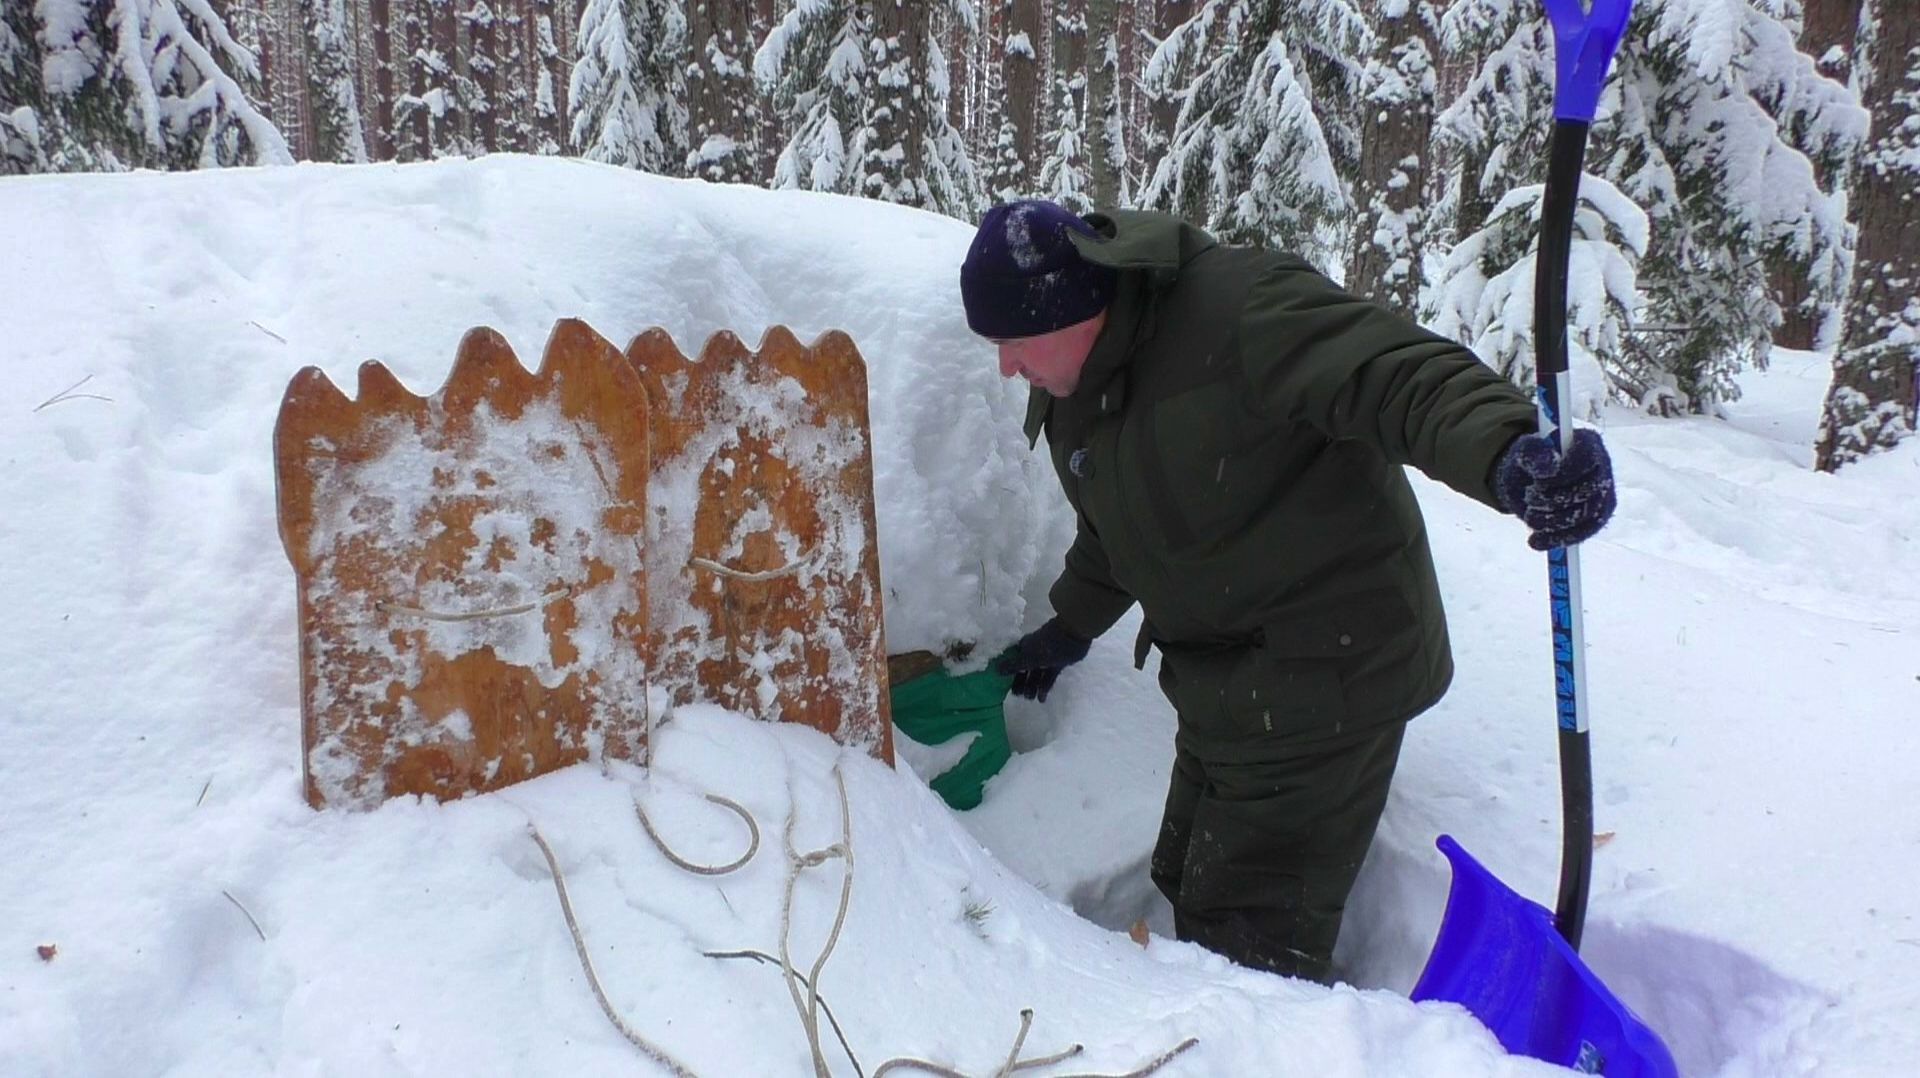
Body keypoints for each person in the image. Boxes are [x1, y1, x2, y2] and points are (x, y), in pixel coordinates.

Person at [960, 199, 1616, 984]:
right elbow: (1120, 522)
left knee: (1247, 930)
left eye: (1011, 342)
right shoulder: (1078, 387)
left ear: (1072, 309)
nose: (1006, 367)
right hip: (1225, 683)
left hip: (1329, 667)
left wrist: (1511, 447)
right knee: (1186, 874)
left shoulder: (1239, 310)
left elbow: (1394, 371)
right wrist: (1070, 625)